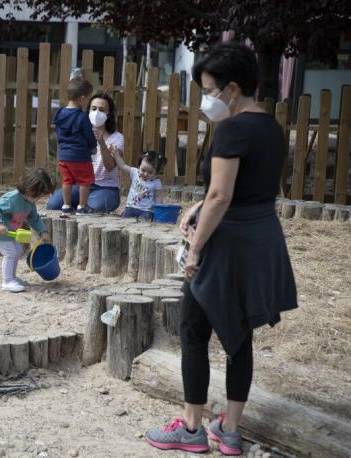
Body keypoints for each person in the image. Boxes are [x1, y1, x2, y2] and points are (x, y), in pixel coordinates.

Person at [145, 42, 298, 456]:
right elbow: (246, 187)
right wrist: (198, 203)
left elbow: (221, 197)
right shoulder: (271, 126)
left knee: (194, 331)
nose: (207, 98)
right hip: (261, 236)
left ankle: (192, 428)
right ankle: (230, 430)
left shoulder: (231, 128)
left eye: (210, 89)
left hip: (226, 241)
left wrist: (195, 249)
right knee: (239, 334)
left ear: (232, 88)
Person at [46, 92, 124, 213]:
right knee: (53, 205)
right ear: (88, 111)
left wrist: (102, 143)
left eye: (102, 110)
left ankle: (84, 205)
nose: (97, 112)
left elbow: (110, 166)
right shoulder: (77, 132)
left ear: (109, 114)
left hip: (105, 188)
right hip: (79, 185)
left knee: (93, 208)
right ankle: (79, 204)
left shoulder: (117, 138)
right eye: (94, 108)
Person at [0, 168, 54, 293]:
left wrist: (43, 231)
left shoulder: (29, 202)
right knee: (10, 253)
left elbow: (34, 218)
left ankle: (12, 277)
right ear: (29, 189)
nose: (38, 199)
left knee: (18, 250)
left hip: (10, 233)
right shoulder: (12, 198)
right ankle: (7, 281)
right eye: (37, 196)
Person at [53, 77, 99, 217]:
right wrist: (93, 145)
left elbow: (59, 133)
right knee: (85, 180)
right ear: (82, 98)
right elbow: (89, 136)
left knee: (67, 181)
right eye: (88, 99)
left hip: (64, 156)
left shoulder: (60, 113)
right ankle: (82, 206)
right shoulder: (82, 117)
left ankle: (66, 206)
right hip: (80, 155)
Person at [118, 151, 166, 221]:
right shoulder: (135, 172)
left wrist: (159, 210)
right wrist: (116, 154)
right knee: (124, 219)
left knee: (145, 221)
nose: (146, 174)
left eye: (150, 172)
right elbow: (122, 165)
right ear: (138, 166)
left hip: (146, 210)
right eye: (143, 170)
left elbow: (158, 196)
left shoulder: (156, 182)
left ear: (156, 172)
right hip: (131, 207)